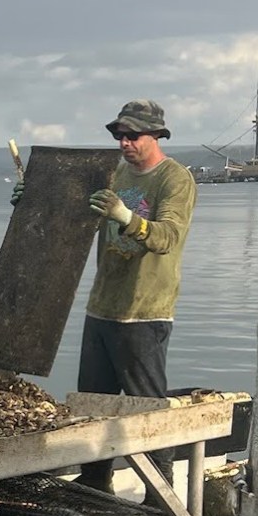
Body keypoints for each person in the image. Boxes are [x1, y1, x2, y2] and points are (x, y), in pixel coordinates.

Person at [77, 99, 198, 495]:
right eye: (119, 135)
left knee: (148, 410)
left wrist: (125, 216)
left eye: (133, 135)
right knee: (93, 406)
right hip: (102, 307)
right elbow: (74, 218)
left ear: (156, 136)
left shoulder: (174, 179)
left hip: (145, 313)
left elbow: (167, 238)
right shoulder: (112, 175)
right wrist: (32, 200)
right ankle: (97, 484)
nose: (124, 143)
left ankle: (160, 496)